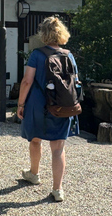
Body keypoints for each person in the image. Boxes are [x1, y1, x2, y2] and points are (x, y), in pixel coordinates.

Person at [17, 16, 79, 202]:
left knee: (35, 139)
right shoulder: (69, 55)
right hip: (62, 105)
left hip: (38, 104)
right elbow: (74, 82)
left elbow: (27, 81)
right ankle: (57, 189)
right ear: (62, 33)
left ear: (43, 34)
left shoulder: (37, 54)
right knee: (58, 147)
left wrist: (20, 104)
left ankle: (34, 174)